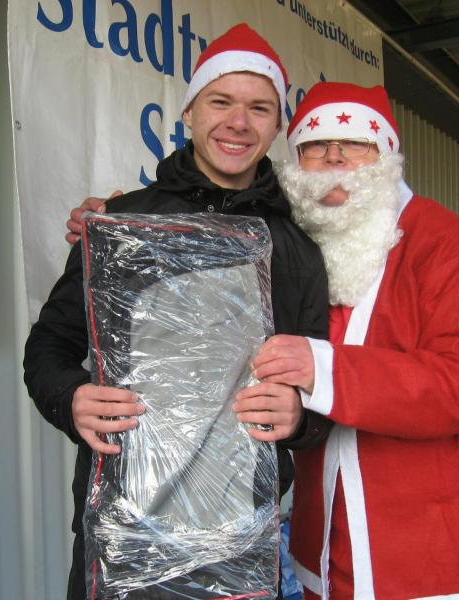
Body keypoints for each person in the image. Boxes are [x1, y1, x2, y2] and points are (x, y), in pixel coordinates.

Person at [23, 23, 330, 600]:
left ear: (277, 125)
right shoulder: (121, 223)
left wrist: (303, 417)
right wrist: (70, 397)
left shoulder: (298, 247)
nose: (238, 122)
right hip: (125, 521)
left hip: (240, 529)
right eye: (221, 101)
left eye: (259, 108)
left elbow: (321, 375)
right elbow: (48, 345)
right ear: (189, 110)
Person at [244, 82, 459, 599]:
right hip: (326, 551)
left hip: (433, 553)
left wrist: (325, 370)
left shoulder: (445, 240)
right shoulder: (290, 243)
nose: (335, 158)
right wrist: (122, 216)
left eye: (355, 143)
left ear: (386, 155)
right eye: (316, 146)